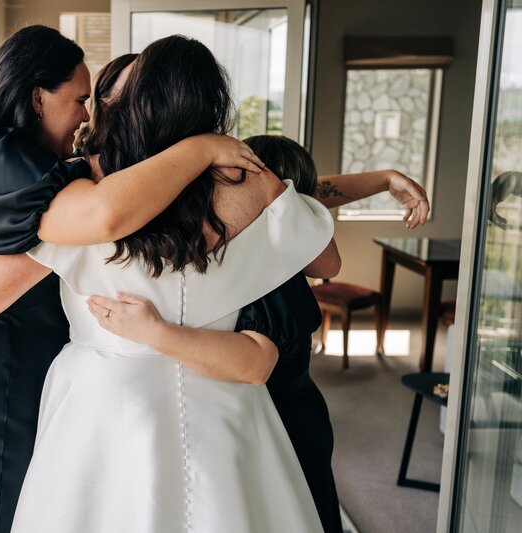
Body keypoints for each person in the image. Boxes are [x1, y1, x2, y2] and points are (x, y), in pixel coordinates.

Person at [0, 35, 343, 531]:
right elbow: (325, 261)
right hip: (221, 397)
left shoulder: (88, 186)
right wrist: (270, 185)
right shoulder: (253, 183)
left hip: (101, 399)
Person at [88, 135, 430, 533]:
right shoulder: (269, 232)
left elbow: (254, 363)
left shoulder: (272, 278)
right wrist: (384, 179)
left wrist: (153, 331)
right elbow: (303, 197)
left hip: (288, 426)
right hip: (295, 416)